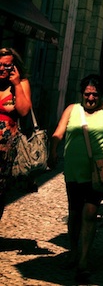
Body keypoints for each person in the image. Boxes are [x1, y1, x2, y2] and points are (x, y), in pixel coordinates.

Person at [49, 74, 103, 284]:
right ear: (82, 94)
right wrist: (53, 149)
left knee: (90, 213)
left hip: (99, 173)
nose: (91, 98)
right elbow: (58, 132)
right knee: (74, 214)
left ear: (101, 94)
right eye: (87, 94)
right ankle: (73, 252)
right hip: (74, 172)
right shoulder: (72, 110)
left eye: (95, 95)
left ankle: (83, 261)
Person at [0, 47, 32, 220]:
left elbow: (24, 111)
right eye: (0, 65)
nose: (2, 69)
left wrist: (17, 84)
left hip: (5, 151)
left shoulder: (20, 84)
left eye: (7, 66)